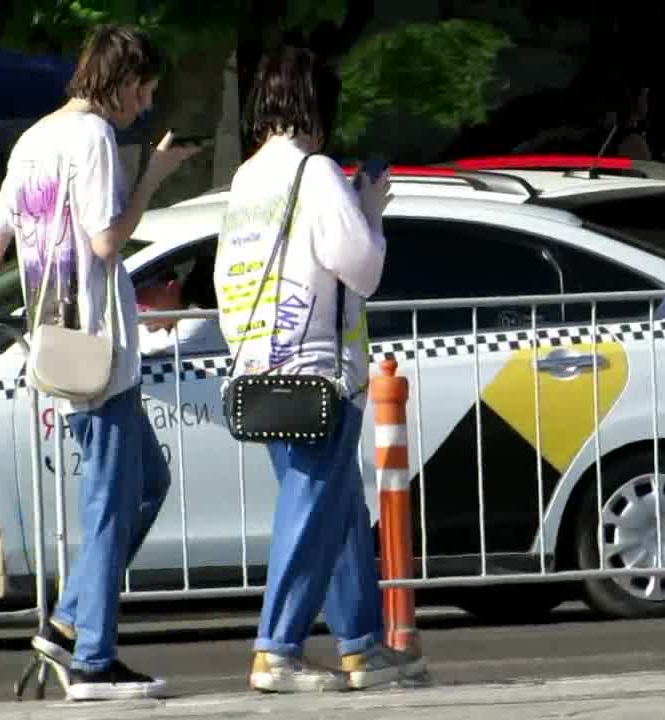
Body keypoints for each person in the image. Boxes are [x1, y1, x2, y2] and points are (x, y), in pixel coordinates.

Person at [0, 24, 201, 702]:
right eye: (145, 91)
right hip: (99, 348)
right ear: (122, 82)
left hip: (60, 342)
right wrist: (153, 177)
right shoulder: (94, 137)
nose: (146, 105)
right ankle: (93, 660)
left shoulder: (33, 141)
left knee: (145, 484)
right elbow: (106, 241)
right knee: (111, 503)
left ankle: (72, 621)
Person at [213, 45, 427, 694]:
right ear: (318, 107)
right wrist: (371, 209)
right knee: (311, 509)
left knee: (336, 507)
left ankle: (360, 644)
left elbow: (225, 275)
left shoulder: (246, 178)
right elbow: (361, 267)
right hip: (316, 370)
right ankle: (276, 649)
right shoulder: (317, 174)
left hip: (260, 367)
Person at [136, 256, 227, 357]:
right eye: (131, 299)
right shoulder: (163, 326)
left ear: (172, 289)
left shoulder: (195, 320)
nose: (137, 308)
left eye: (142, 297)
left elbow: (160, 358)